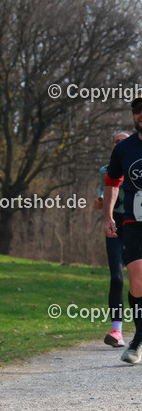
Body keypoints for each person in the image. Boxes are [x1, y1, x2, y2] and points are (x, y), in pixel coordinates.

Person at [103, 97, 142, 363]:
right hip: (133, 222)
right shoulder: (124, 148)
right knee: (137, 281)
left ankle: (136, 343)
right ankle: (137, 338)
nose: (141, 115)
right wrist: (107, 215)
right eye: (138, 111)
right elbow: (112, 181)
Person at [94, 131, 132, 347]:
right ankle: (117, 331)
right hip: (115, 223)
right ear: (112, 147)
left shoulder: (138, 167)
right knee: (117, 277)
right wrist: (100, 202)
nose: (119, 144)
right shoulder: (106, 171)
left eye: (123, 141)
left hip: (136, 222)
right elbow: (104, 189)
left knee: (139, 279)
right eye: (116, 141)